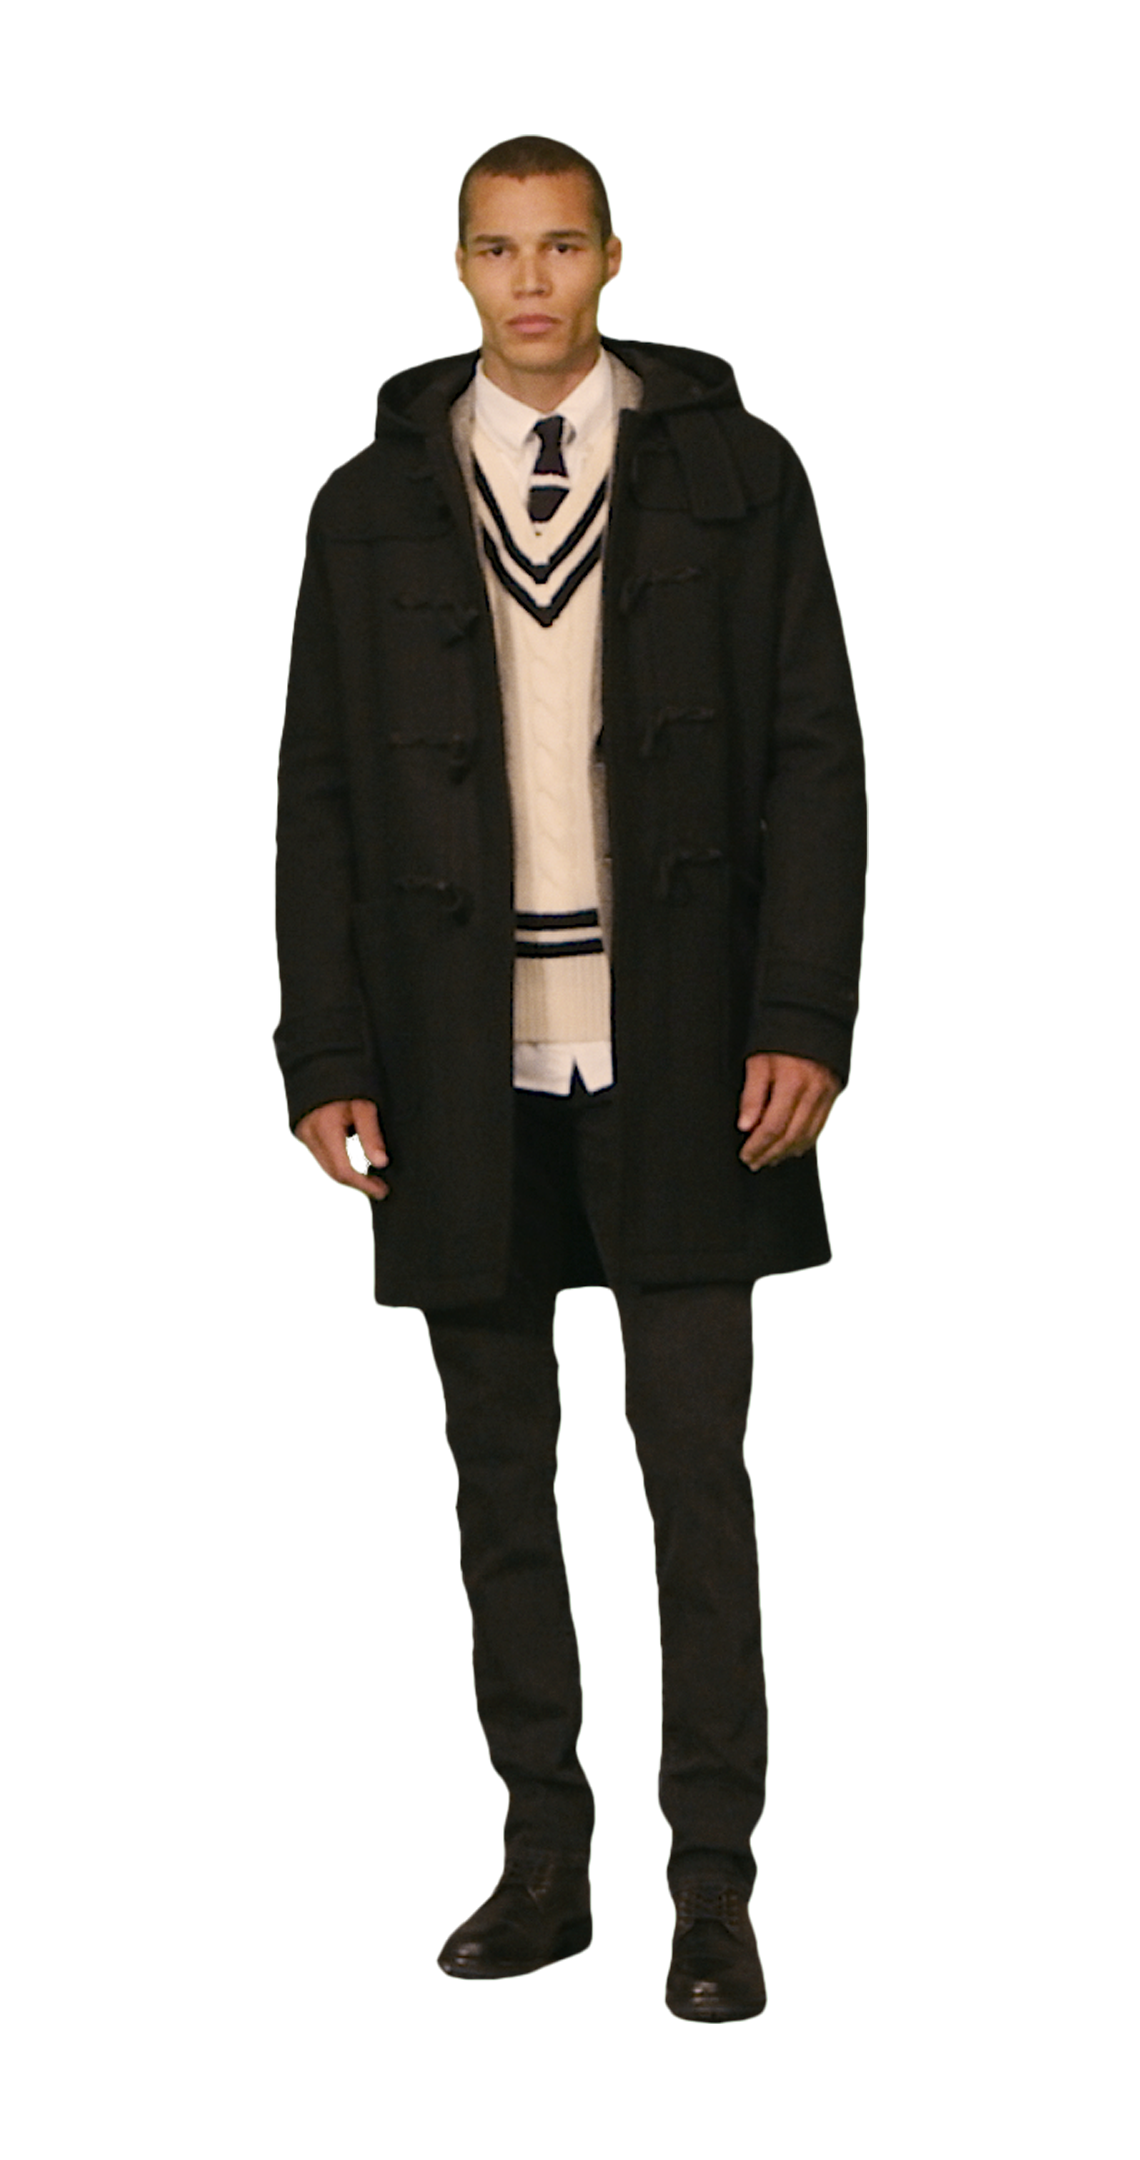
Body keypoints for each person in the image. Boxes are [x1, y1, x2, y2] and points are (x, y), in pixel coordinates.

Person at [273, 136, 867, 2022]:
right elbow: (316, 791)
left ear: (611, 258)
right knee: (500, 1481)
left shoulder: (739, 471)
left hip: (685, 1045)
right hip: (455, 1058)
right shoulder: (372, 498)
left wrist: (804, 1015)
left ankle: (712, 1886)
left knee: (696, 1476)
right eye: (493, 250)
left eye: (559, 246)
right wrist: (326, 1051)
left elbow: (815, 752)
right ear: (459, 269)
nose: (527, 283)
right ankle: (543, 1858)